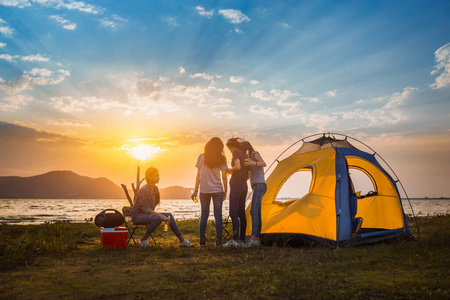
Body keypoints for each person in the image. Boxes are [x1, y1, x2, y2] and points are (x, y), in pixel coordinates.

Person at [131, 167, 194, 248]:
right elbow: (146, 209)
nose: (158, 177)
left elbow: (153, 206)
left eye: (158, 175)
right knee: (159, 218)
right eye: (156, 175)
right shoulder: (144, 190)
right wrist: (162, 216)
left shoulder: (155, 189)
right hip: (138, 216)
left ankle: (182, 241)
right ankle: (143, 240)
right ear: (149, 177)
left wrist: (163, 216)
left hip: (147, 215)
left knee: (169, 215)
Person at [191, 137, 228, 246]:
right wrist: (225, 191)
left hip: (204, 190)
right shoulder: (222, 158)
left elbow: (198, 174)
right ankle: (219, 241)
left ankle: (202, 241)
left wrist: (196, 189)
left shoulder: (202, 157)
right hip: (217, 190)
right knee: (218, 216)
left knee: (204, 215)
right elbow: (224, 177)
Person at [223, 137, 249, 247]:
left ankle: (235, 240)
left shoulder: (235, 152)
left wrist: (228, 170)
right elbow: (246, 171)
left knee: (233, 213)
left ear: (229, 146)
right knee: (241, 213)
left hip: (236, 185)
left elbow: (237, 167)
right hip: (244, 185)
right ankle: (242, 239)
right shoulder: (243, 153)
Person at [242, 140, 267, 247]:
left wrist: (252, 163)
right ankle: (257, 238)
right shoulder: (247, 158)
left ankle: (254, 237)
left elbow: (263, 163)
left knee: (253, 211)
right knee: (257, 212)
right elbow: (249, 175)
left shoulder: (254, 154)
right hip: (256, 185)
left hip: (260, 185)